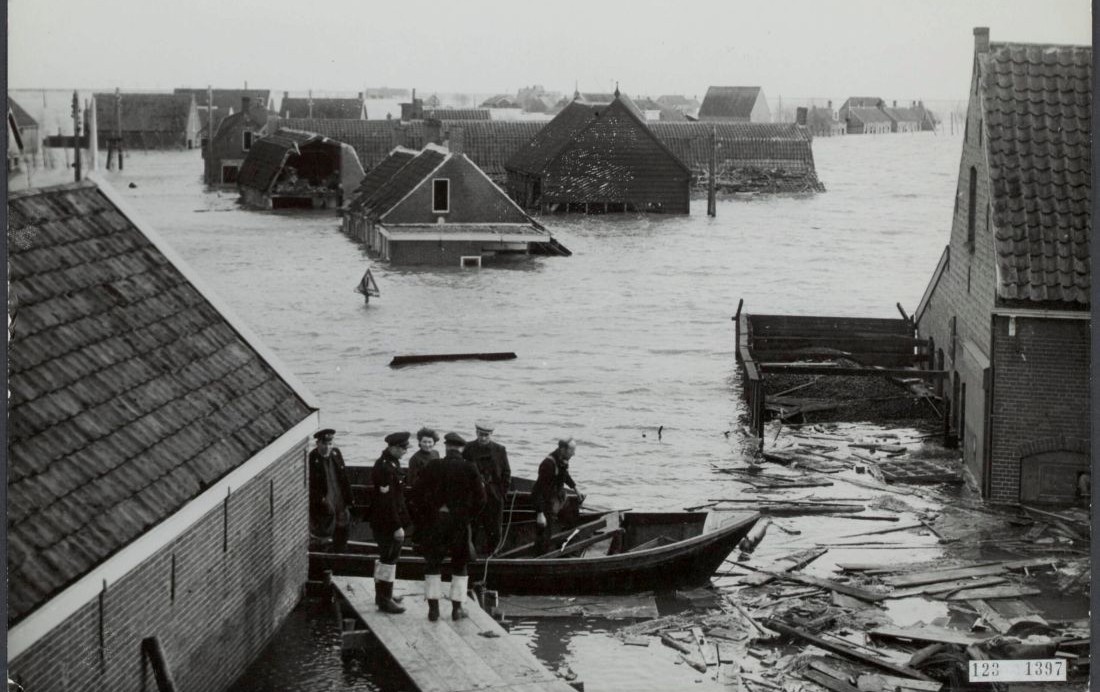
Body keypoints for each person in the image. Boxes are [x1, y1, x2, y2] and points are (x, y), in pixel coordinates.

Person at [418, 432, 486, 621]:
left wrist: (430, 513)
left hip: (436, 521)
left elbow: (416, 493)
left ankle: (433, 609)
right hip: (460, 523)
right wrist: (467, 516)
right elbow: (481, 499)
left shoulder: (433, 466)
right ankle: (457, 609)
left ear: (446, 447)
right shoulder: (469, 467)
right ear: (462, 448)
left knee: (432, 563)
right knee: (460, 563)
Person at [369, 431, 412, 614]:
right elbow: (387, 502)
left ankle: (384, 594)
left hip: (387, 520)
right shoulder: (385, 468)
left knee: (387, 558)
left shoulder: (392, 463)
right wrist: (397, 526)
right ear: (393, 447)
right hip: (386, 522)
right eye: (403, 448)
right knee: (389, 559)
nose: (405, 452)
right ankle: (384, 600)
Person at [463, 421, 511, 555]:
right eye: (480, 434)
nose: (483, 438)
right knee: (472, 524)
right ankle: (469, 552)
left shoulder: (499, 449)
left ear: (491, 434)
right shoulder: (468, 448)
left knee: (494, 526)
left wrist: (502, 492)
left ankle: (491, 553)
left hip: (493, 494)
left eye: (486, 435)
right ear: (476, 433)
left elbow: (506, 472)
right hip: (474, 494)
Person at [531, 438, 584, 555]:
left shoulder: (562, 459)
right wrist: (540, 514)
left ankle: (566, 547)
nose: (574, 454)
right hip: (545, 502)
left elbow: (564, 475)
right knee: (544, 535)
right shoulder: (548, 465)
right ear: (562, 449)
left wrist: (575, 488)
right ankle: (540, 558)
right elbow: (537, 491)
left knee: (572, 517)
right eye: (571, 450)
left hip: (558, 498)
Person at [307, 428, 354, 553]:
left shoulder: (336, 453)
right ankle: (323, 560)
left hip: (339, 500)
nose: (327, 447)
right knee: (323, 535)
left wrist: (349, 499)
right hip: (325, 503)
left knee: (343, 529)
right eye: (324, 444)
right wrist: (321, 499)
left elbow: (344, 477)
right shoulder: (312, 459)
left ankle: (340, 554)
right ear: (317, 443)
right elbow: (309, 486)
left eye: (329, 444)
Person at [405, 427, 441, 538]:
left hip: (435, 494)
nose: (427, 444)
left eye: (430, 442)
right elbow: (412, 481)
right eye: (424, 442)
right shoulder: (415, 459)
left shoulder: (436, 454)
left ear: (434, 442)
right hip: (422, 495)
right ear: (419, 442)